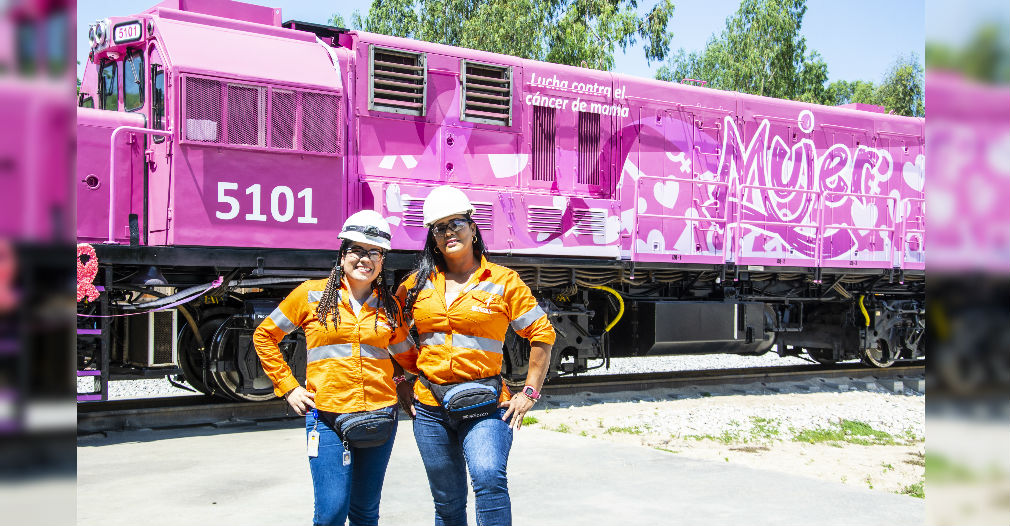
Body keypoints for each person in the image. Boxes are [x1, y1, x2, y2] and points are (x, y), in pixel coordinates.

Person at [397, 185, 556, 526]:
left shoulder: (503, 281)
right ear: (433, 239)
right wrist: (401, 380)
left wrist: (529, 392)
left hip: (485, 403)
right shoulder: (414, 285)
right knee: (447, 501)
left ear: (472, 226)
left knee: (488, 479)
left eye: (455, 222)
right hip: (430, 407)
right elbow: (386, 333)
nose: (448, 232)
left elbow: (542, 333)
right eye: (439, 228)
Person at [253, 210, 416, 526]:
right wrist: (288, 386)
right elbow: (265, 334)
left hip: (379, 416)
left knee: (365, 513)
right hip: (327, 417)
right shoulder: (311, 295)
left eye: (374, 252)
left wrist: (420, 379)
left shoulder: (388, 307)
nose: (364, 258)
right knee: (330, 513)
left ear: (382, 262)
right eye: (356, 249)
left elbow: (407, 354)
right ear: (342, 255)